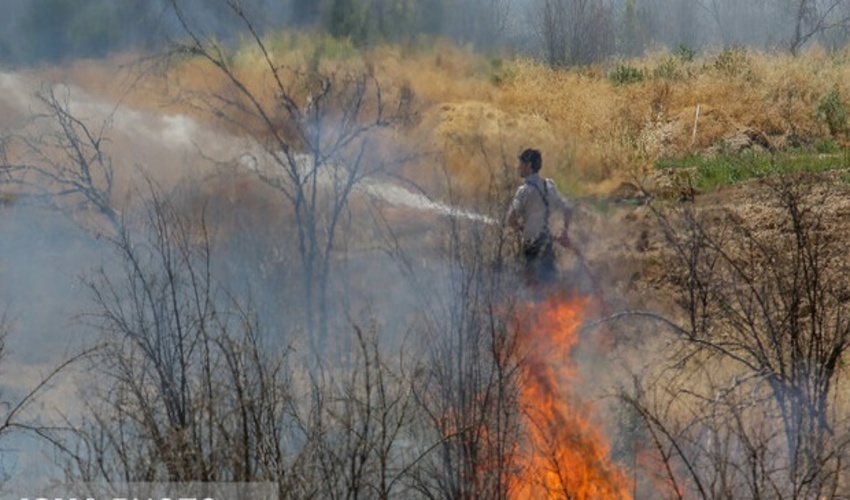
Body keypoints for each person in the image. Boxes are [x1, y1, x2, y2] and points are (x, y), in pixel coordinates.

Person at [506, 148, 573, 287]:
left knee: (532, 291)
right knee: (549, 288)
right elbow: (568, 208)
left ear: (529, 165)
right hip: (547, 245)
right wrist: (564, 233)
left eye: (521, 164)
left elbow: (510, 220)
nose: (519, 167)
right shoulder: (549, 185)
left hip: (531, 249)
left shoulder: (523, 191)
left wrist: (521, 228)